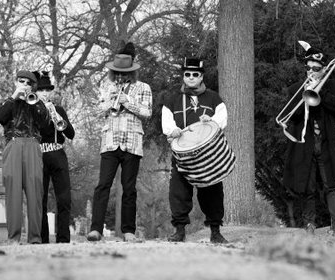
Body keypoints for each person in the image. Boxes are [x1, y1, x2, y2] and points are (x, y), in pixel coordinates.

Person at [86, 42, 152, 242]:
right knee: (103, 185)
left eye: (125, 74)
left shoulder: (143, 88)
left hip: (132, 142)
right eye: (118, 73)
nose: (121, 77)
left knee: (129, 188)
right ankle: (95, 229)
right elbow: (98, 110)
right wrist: (110, 100)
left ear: (132, 73)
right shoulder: (106, 85)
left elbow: (147, 113)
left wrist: (127, 102)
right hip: (110, 141)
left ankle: (128, 231)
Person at [162, 58, 230, 243]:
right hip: (182, 156)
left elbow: (222, 118)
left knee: (212, 192)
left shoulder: (214, 98)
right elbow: (167, 123)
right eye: (187, 74)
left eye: (195, 75)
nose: (191, 78)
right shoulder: (172, 99)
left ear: (201, 77)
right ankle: (180, 231)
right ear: (184, 77)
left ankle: (215, 232)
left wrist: (212, 122)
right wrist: (172, 130)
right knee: (178, 192)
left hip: (207, 157)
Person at [281, 44, 335, 235]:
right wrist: (304, 95)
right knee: (306, 187)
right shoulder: (296, 89)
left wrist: (320, 91)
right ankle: (309, 224)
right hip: (305, 144)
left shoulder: (333, 86)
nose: (311, 71)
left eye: (316, 68)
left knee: (331, 185)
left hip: (326, 143)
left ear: (324, 68)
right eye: (308, 68)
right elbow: (292, 116)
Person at [0, 70, 50, 243]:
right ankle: (13, 237)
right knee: (13, 192)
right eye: (21, 81)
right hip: (14, 144)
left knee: (35, 191)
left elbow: (45, 123)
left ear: (33, 86)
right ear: (16, 82)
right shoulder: (9, 101)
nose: (24, 85)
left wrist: (34, 101)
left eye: (28, 82)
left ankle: (34, 238)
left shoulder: (37, 102)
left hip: (33, 145)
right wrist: (13, 97)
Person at [37, 71, 76, 244]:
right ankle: (42, 239)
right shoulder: (32, 110)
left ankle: (63, 239)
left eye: (47, 90)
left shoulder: (58, 109)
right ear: (35, 92)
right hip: (39, 155)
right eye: (41, 90)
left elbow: (71, 134)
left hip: (58, 153)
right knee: (41, 198)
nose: (45, 93)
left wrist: (57, 116)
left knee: (64, 198)